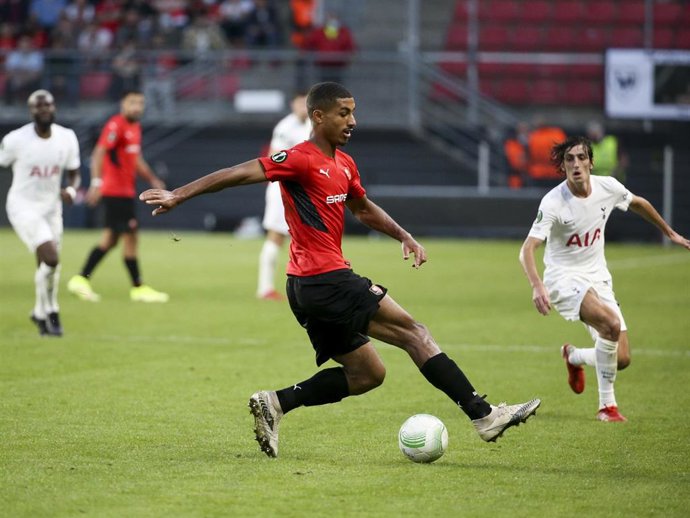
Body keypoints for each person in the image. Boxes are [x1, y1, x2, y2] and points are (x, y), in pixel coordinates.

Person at [140, 82, 541, 458]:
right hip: (324, 279)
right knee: (415, 334)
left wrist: (404, 235)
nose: (352, 121)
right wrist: (179, 194)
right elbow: (238, 173)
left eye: (353, 113)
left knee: (367, 373)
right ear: (318, 116)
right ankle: (484, 415)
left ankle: (276, 402)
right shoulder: (299, 158)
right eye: (344, 113)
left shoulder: (344, 163)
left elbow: (363, 209)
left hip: (311, 286)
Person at [519, 136, 690, 422]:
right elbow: (527, 249)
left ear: (591, 162)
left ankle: (573, 357)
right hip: (563, 279)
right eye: (569, 159)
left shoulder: (607, 187)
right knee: (610, 324)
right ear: (562, 166)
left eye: (581, 158)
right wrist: (537, 285)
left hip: (598, 276)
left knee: (621, 359)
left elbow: (638, 203)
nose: (576, 164)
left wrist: (669, 232)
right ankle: (607, 407)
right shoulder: (553, 202)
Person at [67, 90, 169, 303]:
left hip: (125, 191)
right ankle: (138, 288)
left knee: (110, 240)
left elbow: (136, 158)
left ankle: (80, 280)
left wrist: (152, 179)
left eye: (140, 103)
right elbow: (98, 153)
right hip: (115, 192)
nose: (137, 107)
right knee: (131, 237)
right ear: (122, 103)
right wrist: (96, 183)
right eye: (132, 102)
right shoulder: (116, 125)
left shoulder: (134, 127)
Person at [0, 89, 81, 336]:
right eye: (38, 106)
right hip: (23, 206)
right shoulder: (16, 139)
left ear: (54, 107)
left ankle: (42, 312)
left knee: (50, 265)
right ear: (31, 110)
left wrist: (71, 190)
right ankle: (52, 310)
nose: (44, 109)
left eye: (48, 105)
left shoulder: (67, 137)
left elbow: (74, 173)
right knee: (51, 257)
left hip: (52, 207)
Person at [257, 90, 311, 300]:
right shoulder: (285, 127)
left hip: (306, 189)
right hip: (283, 187)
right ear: (292, 104)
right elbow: (273, 158)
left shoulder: (313, 125)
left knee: (307, 237)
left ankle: (307, 287)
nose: (302, 107)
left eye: (306, 103)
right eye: (300, 102)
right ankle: (265, 288)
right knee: (276, 235)